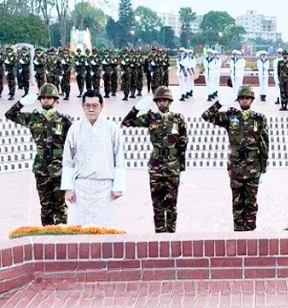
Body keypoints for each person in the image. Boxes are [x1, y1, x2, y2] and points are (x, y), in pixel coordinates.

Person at [201, 86, 269, 231]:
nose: (244, 100)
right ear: (238, 100)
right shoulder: (230, 117)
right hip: (236, 167)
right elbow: (206, 116)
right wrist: (219, 104)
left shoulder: (259, 118)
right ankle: (238, 234)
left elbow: (264, 144)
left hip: (252, 167)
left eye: (247, 98)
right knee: (237, 203)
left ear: (251, 100)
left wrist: (263, 169)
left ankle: (250, 233)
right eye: (242, 98)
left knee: (251, 203)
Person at [121, 86, 188, 233]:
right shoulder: (151, 117)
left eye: (165, 100)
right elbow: (126, 123)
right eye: (159, 100)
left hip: (172, 165)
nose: (162, 103)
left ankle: (171, 234)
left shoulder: (178, 119)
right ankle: (159, 235)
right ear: (156, 102)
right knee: (157, 203)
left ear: (170, 101)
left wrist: (182, 169)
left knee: (171, 204)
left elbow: (183, 145)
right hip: (156, 165)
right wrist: (136, 108)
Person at [5, 84, 73, 225]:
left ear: (55, 100)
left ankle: (61, 237)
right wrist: (21, 103)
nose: (46, 100)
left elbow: (73, 145)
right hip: (41, 167)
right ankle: (46, 236)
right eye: (43, 98)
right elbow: (10, 115)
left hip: (59, 167)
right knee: (45, 205)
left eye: (49, 98)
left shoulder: (65, 120)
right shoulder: (33, 118)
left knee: (60, 205)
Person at [61, 90, 125, 227]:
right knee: (80, 228)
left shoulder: (112, 128)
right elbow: (67, 159)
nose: (91, 109)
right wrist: (68, 188)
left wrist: (118, 186)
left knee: (105, 227)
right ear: (82, 106)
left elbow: (119, 158)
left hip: (105, 187)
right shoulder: (74, 129)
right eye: (87, 105)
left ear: (102, 106)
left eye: (95, 105)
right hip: (81, 187)